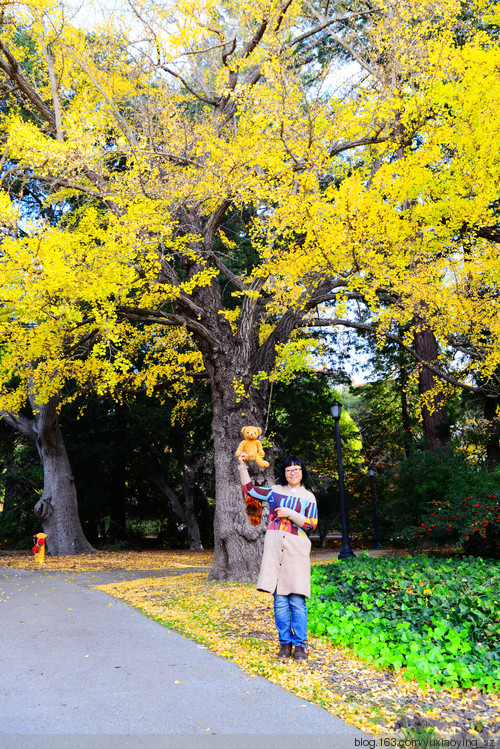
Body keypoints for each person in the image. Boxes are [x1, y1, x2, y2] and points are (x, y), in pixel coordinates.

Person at [237, 453, 318, 661]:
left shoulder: (308, 497)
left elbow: (311, 525)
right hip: (275, 550)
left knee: (297, 600)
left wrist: (290, 514)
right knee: (280, 601)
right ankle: (285, 644)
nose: (293, 472)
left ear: (302, 472)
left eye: (297, 469)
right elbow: (251, 490)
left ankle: (300, 645)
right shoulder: (274, 492)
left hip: (297, 551)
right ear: (284, 473)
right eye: (289, 469)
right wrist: (242, 466)